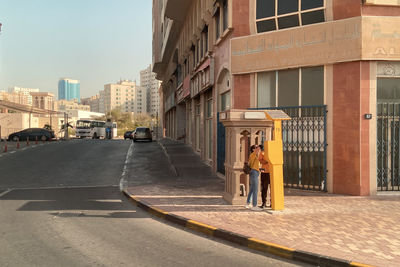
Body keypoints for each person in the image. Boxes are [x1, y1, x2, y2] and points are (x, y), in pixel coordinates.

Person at [245, 145, 263, 211]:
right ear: (253, 149)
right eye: (255, 147)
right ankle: (254, 205)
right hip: (255, 172)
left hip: (252, 171)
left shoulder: (251, 155)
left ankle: (248, 203)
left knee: (252, 188)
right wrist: (258, 150)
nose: (257, 148)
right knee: (255, 189)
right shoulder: (255, 154)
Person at [258, 144, 271, 208]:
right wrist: (266, 161)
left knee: (272, 189)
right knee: (264, 188)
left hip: (271, 172)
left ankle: (272, 202)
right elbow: (260, 160)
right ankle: (264, 203)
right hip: (265, 172)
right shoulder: (262, 153)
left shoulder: (271, 152)